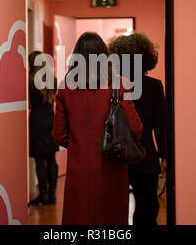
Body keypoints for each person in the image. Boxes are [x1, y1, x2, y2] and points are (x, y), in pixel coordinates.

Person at [52, 32, 143, 225]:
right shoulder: (120, 85)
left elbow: (58, 135)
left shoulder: (64, 88)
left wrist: (78, 144)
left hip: (79, 171)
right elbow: (136, 130)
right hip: (112, 168)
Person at [108, 32, 169, 225]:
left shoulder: (111, 87)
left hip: (115, 156)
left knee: (113, 209)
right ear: (146, 59)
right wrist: (165, 156)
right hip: (145, 156)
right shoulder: (154, 86)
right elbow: (161, 126)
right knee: (147, 210)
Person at [28, 51, 59, 205]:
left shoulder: (30, 81)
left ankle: (43, 195)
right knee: (51, 159)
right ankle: (53, 195)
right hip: (50, 120)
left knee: (40, 160)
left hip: (37, 121)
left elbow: (28, 103)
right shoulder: (52, 80)